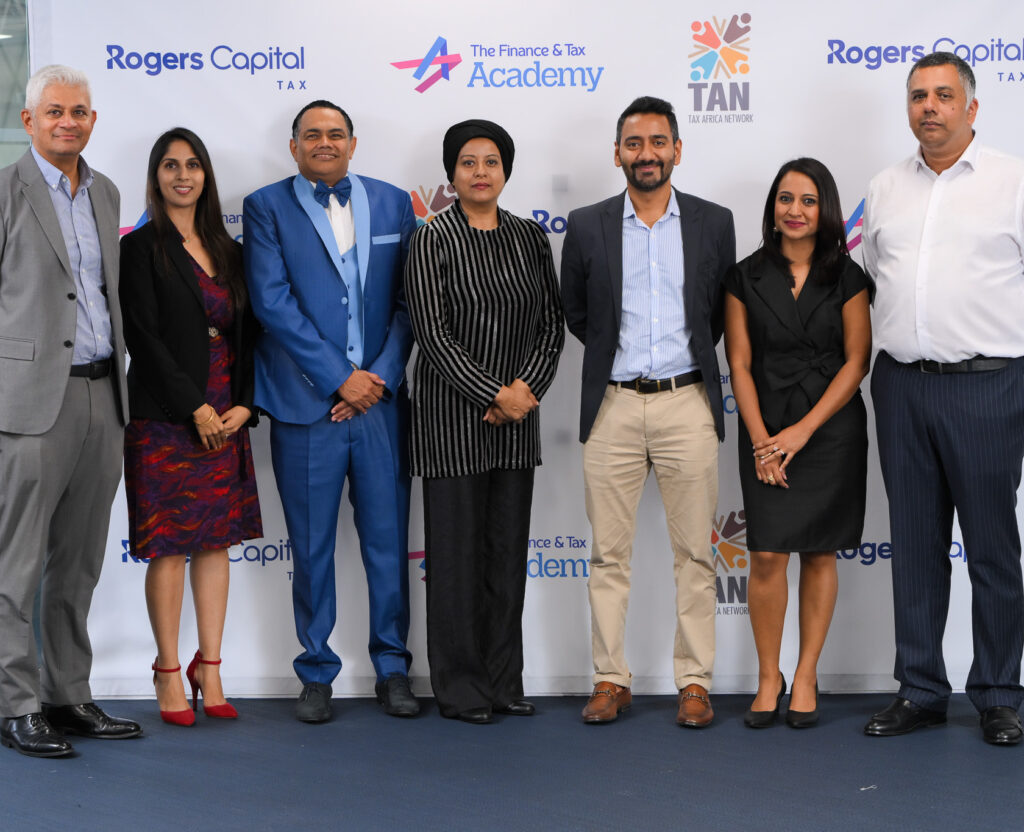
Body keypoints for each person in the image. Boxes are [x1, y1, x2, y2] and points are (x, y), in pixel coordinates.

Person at [863, 51, 1024, 746]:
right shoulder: (884, 187)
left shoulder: (1013, 182)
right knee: (915, 547)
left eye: (943, 95)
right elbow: (875, 275)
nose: (929, 106)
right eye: (918, 96)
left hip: (989, 386)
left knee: (991, 549)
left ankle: (999, 693)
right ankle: (921, 689)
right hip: (901, 385)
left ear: (972, 107)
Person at [560, 96, 735, 727]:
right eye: (634, 144)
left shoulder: (715, 222)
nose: (647, 154)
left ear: (677, 150)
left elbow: (717, 314)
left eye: (658, 142)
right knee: (609, 556)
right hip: (612, 405)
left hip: (688, 402)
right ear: (618, 154)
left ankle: (695, 682)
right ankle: (611, 678)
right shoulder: (587, 224)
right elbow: (578, 313)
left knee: (696, 555)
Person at [243, 100, 418, 723]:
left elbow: (410, 301)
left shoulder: (394, 203)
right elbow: (271, 302)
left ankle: (393, 668)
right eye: (312, 134)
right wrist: (340, 379)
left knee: (387, 545)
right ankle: (316, 672)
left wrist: (377, 380)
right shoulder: (265, 206)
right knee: (312, 548)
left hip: (380, 408)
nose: (325, 142)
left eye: (335, 134)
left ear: (353, 143)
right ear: (293, 146)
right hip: (306, 407)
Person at [0, 65, 141, 758]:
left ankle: (67, 693)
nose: (68, 121)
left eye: (79, 111)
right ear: (29, 121)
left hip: (101, 396)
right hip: (28, 405)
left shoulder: (106, 192)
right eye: (54, 111)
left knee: (78, 561)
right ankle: (16, 704)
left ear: (93, 119)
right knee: (15, 566)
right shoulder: (6, 190)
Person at [404, 120, 564, 724]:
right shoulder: (431, 238)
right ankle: (462, 689)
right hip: (451, 425)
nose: (479, 172)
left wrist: (524, 393)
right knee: (454, 565)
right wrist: (494, 393)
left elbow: (551, 327)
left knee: (505, 558)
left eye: (490, 161)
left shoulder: (530, 238)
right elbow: (433, 335)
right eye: (467, 162)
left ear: (505, 171)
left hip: (517, 425)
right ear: (451, 173)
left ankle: (502, 683)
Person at [120, 127, 263, 726]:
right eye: (171, 165)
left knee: (215, 544)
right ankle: (168, 669)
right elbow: (142, 338)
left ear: (206, 175)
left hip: (226, 415)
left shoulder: (229, 249)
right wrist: (194, 408)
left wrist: (245, 406)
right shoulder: (140, 247)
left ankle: (212, 667)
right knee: (170, 548)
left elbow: (249, 336)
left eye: (193, 165)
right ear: (156, 177)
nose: (183, 176)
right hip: (167, 419)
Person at [723, 158, 871, 729]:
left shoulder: (848, 276)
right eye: (786, 198)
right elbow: (738, 363)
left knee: (819, 551)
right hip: (766, 424)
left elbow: (856, 361)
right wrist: (763, 442)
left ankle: (806, 674)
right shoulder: (744, 276)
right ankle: (769, 676)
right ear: (773, 207)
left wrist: (803, 432)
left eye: (808, 200)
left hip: (828, 430)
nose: (795, 210)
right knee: (765, 554)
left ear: (824, 209)